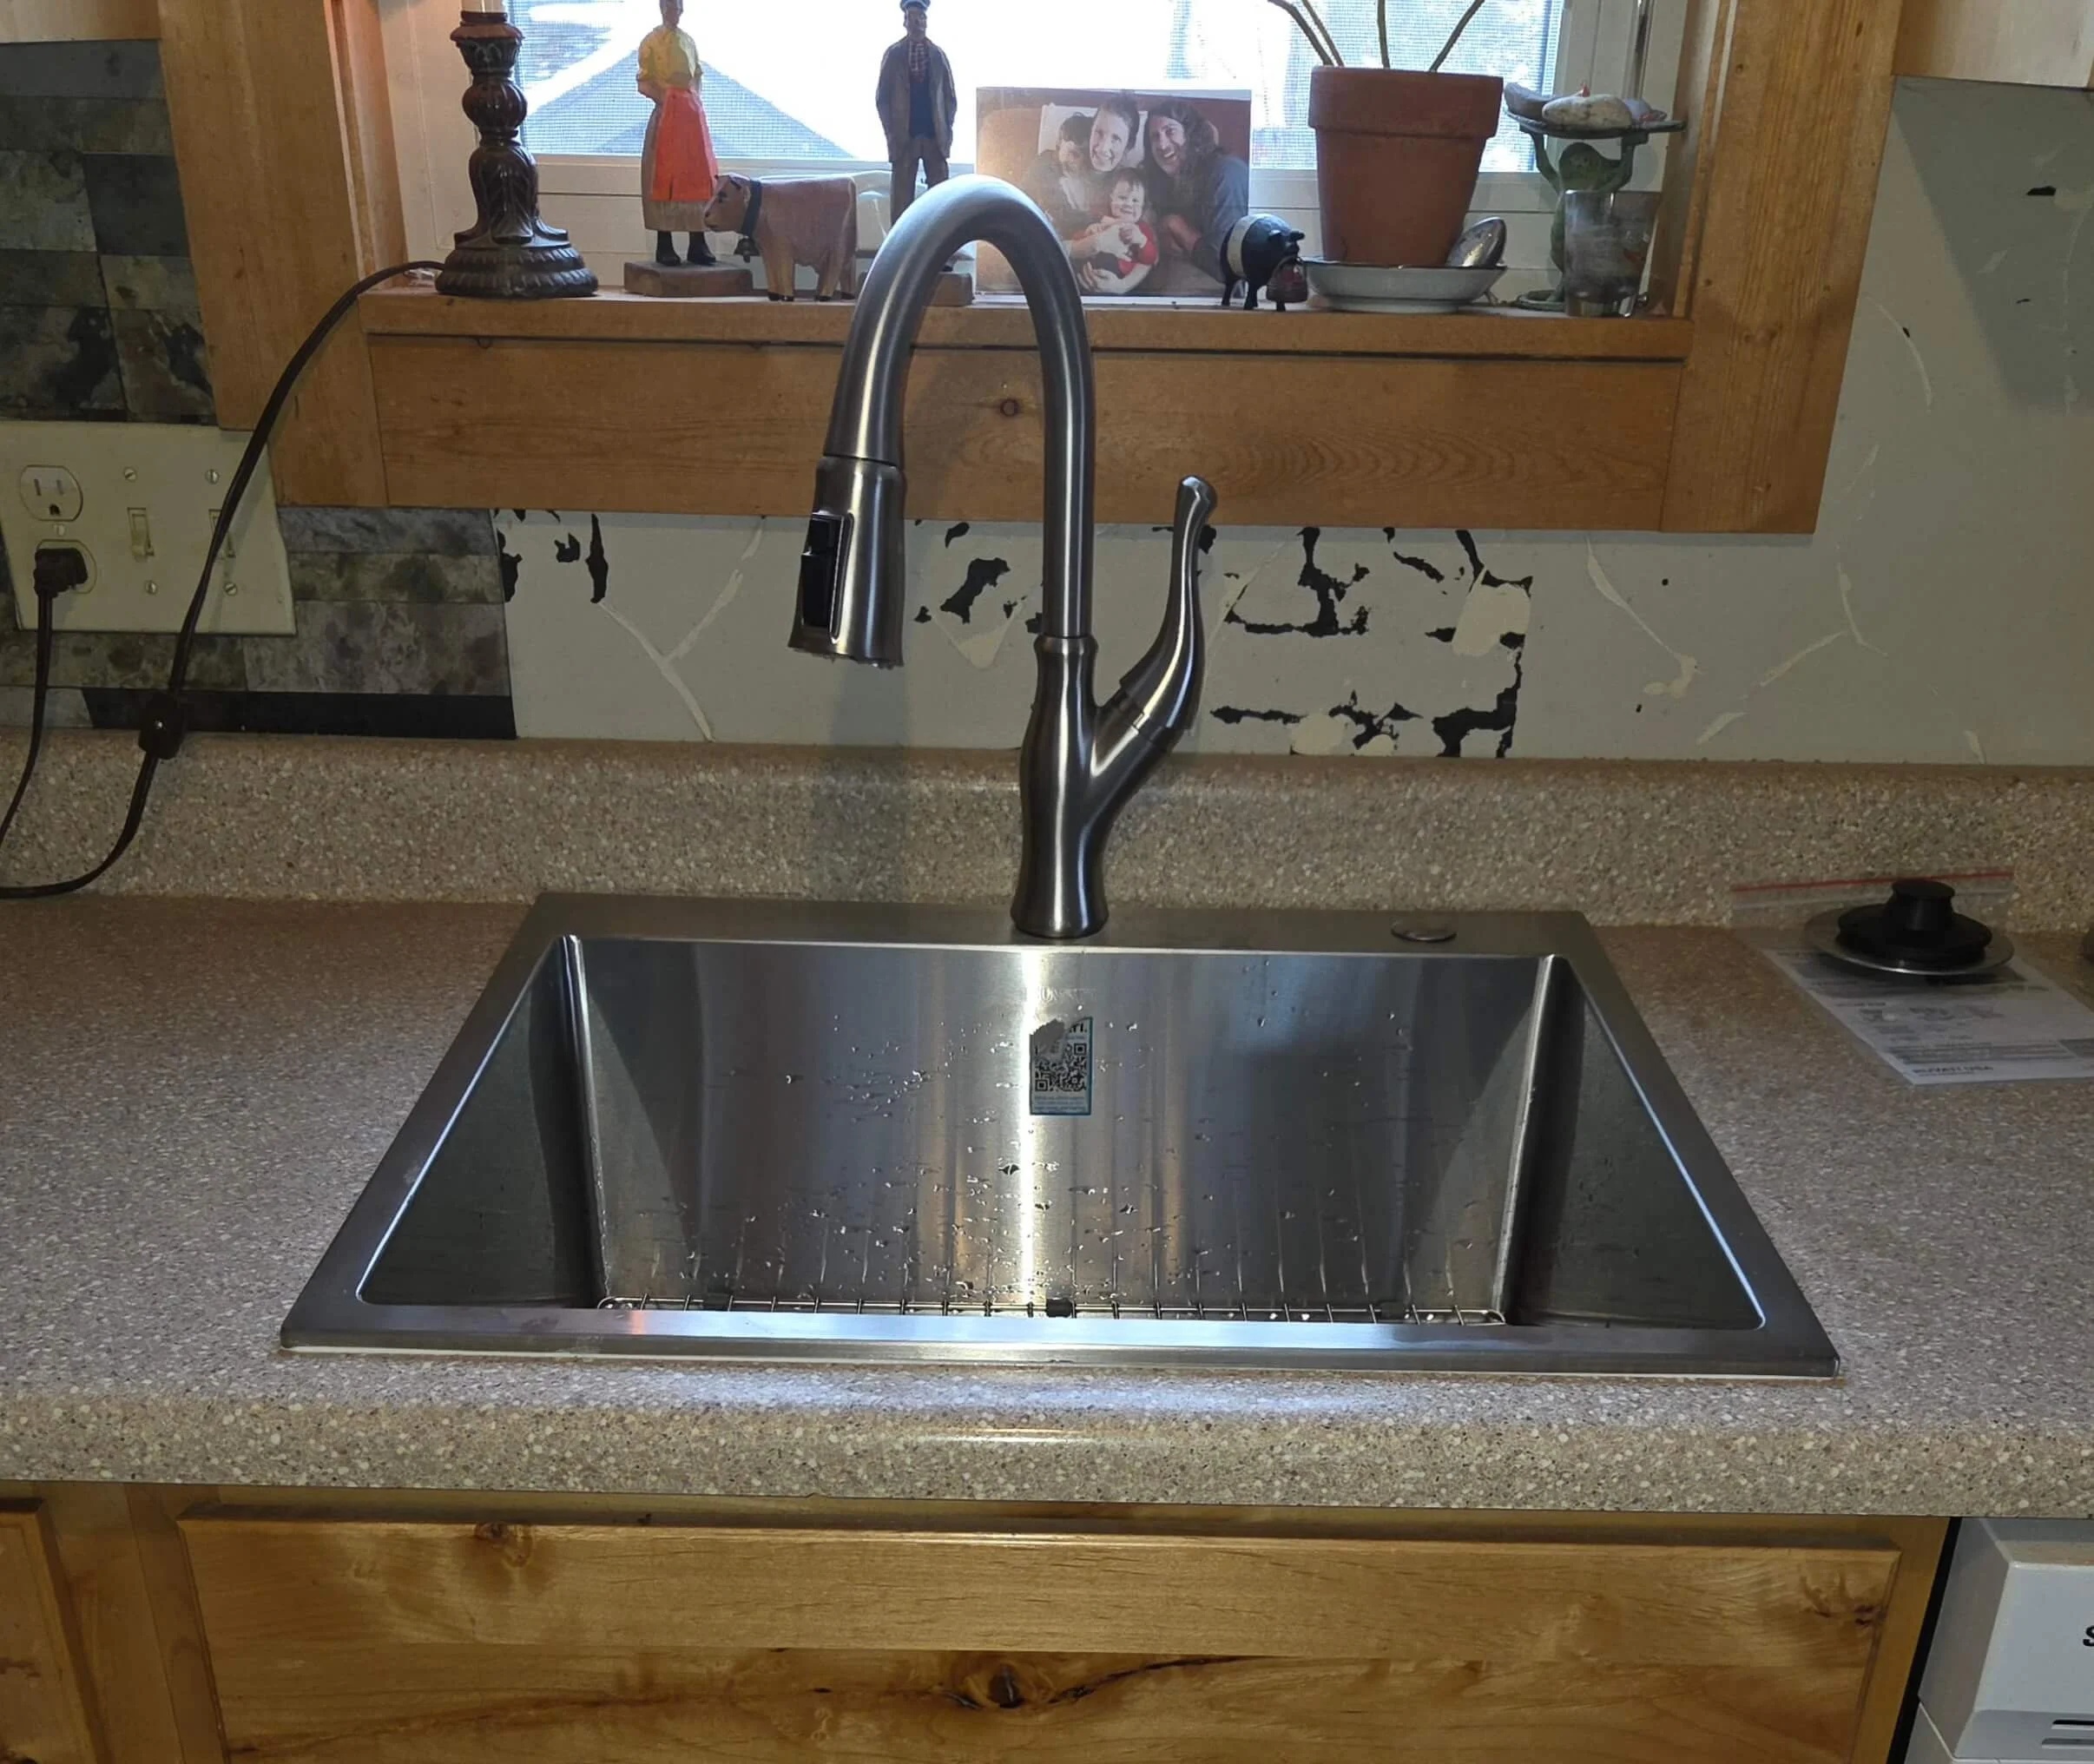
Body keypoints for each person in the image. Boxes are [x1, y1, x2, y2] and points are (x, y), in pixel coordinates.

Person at [636, 0, 721, 267]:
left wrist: (690, 101)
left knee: (697, 175)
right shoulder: (651, 41)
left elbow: (697, 76)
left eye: (679, 7)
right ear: (663, 8)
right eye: (671, 7)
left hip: (690, 120)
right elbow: (644, 82)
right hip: (666, 119)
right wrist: (668, 100)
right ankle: (665, 243)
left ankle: (698, 242)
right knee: (663, 177)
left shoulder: (689, 41)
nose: (676, 12)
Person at [1142, 97, 1249, 290]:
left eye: (1170, 131)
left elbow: (1225, 266)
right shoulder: (1172, 183)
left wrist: (1175, 225)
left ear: (1190, 134)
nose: (1162, 145)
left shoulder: (1225, 173)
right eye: (1155, 137)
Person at [876, 0, 957, 222]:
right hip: (905, 138)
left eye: (921, 18)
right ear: (905, 22)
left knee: (941, 200)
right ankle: (902, 243)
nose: (917, 23)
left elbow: (950, 98)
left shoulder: (938, 55)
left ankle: (941, 241)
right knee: (901, 202)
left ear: (926, 21)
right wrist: (891, 134)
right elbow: (882, 99)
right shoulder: (894, 55)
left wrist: (946, 133)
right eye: (912, 18)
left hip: (934, 137)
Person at [1072, 168, 1159, 293]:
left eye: (1135, 200)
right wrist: (1088, 234)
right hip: (1088, 274)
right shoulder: (1101, 220)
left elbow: (1151, 258)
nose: (1128, 204)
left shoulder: (1142, 229)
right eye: (1122, 198)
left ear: (1143, 205)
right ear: (1111, 198)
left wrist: (1141, 241)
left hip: (1119, 276)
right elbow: (1075, 242)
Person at [1022, 110, 1097, 238]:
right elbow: (1059, 211)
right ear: (1059, 143)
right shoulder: (1045, 163)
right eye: (1072, 153)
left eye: (1085, 157)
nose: (1075, 161)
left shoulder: (1087, 177)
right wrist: (1096, 219)